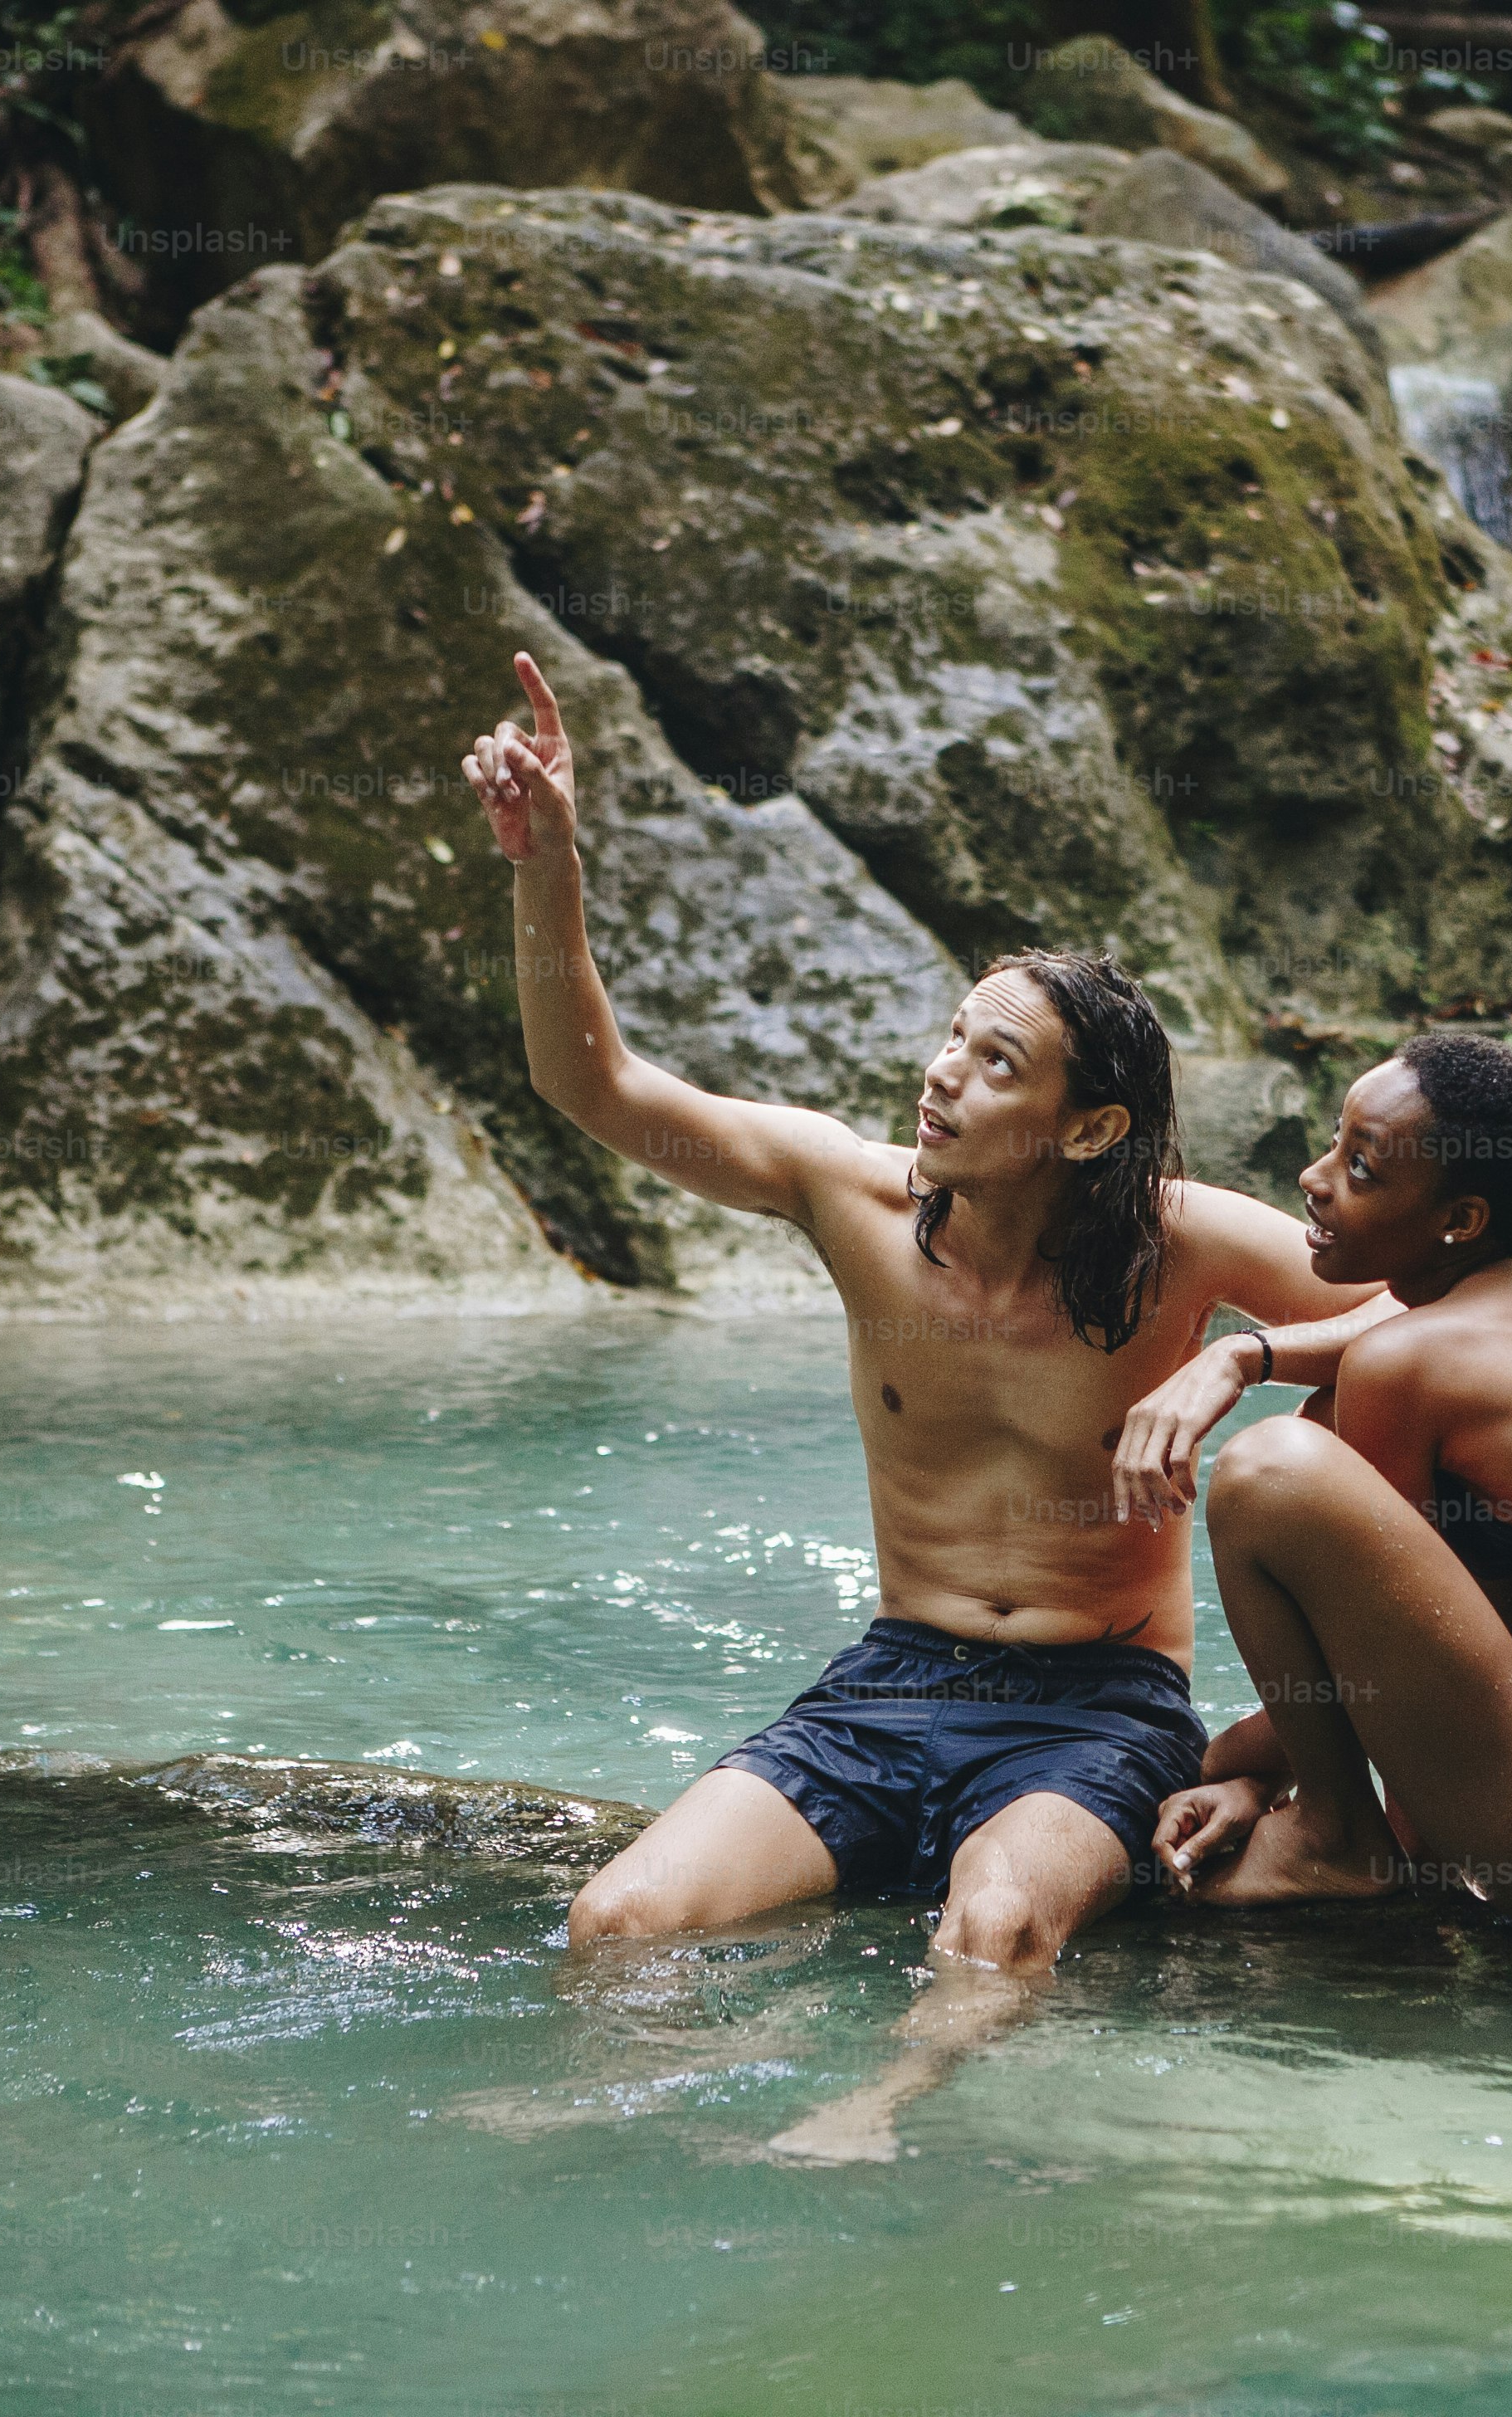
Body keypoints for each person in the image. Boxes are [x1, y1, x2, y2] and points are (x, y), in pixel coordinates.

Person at [461, 653, 1387, 2156]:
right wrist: (548, 863)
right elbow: (599, 1089)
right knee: (615, 1917)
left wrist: (1243, 1358)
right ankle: (620, 2111)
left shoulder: (1185, 1244)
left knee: (993, 1924)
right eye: (952, 1037)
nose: (941, 1077)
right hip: (889, 1683)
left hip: (1097, 1710)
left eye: (994, 1061)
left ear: (1088, 1127)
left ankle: (876, 2109)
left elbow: (1444, 1322)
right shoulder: (848, 1198)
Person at [1108, 1034, 1512, 1948]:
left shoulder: (1407, 1367)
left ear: (1459, 1220)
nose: (1314, 1176)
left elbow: (1366, 1656)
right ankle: (1345, 1824)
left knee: (1275, 1469)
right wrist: (1241, 1350)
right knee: (1323, 1415)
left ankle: (1338, 1838)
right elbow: (1394, 1324)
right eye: (1336, 1141)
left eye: (1362, 1166)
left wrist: (1230, 1766)